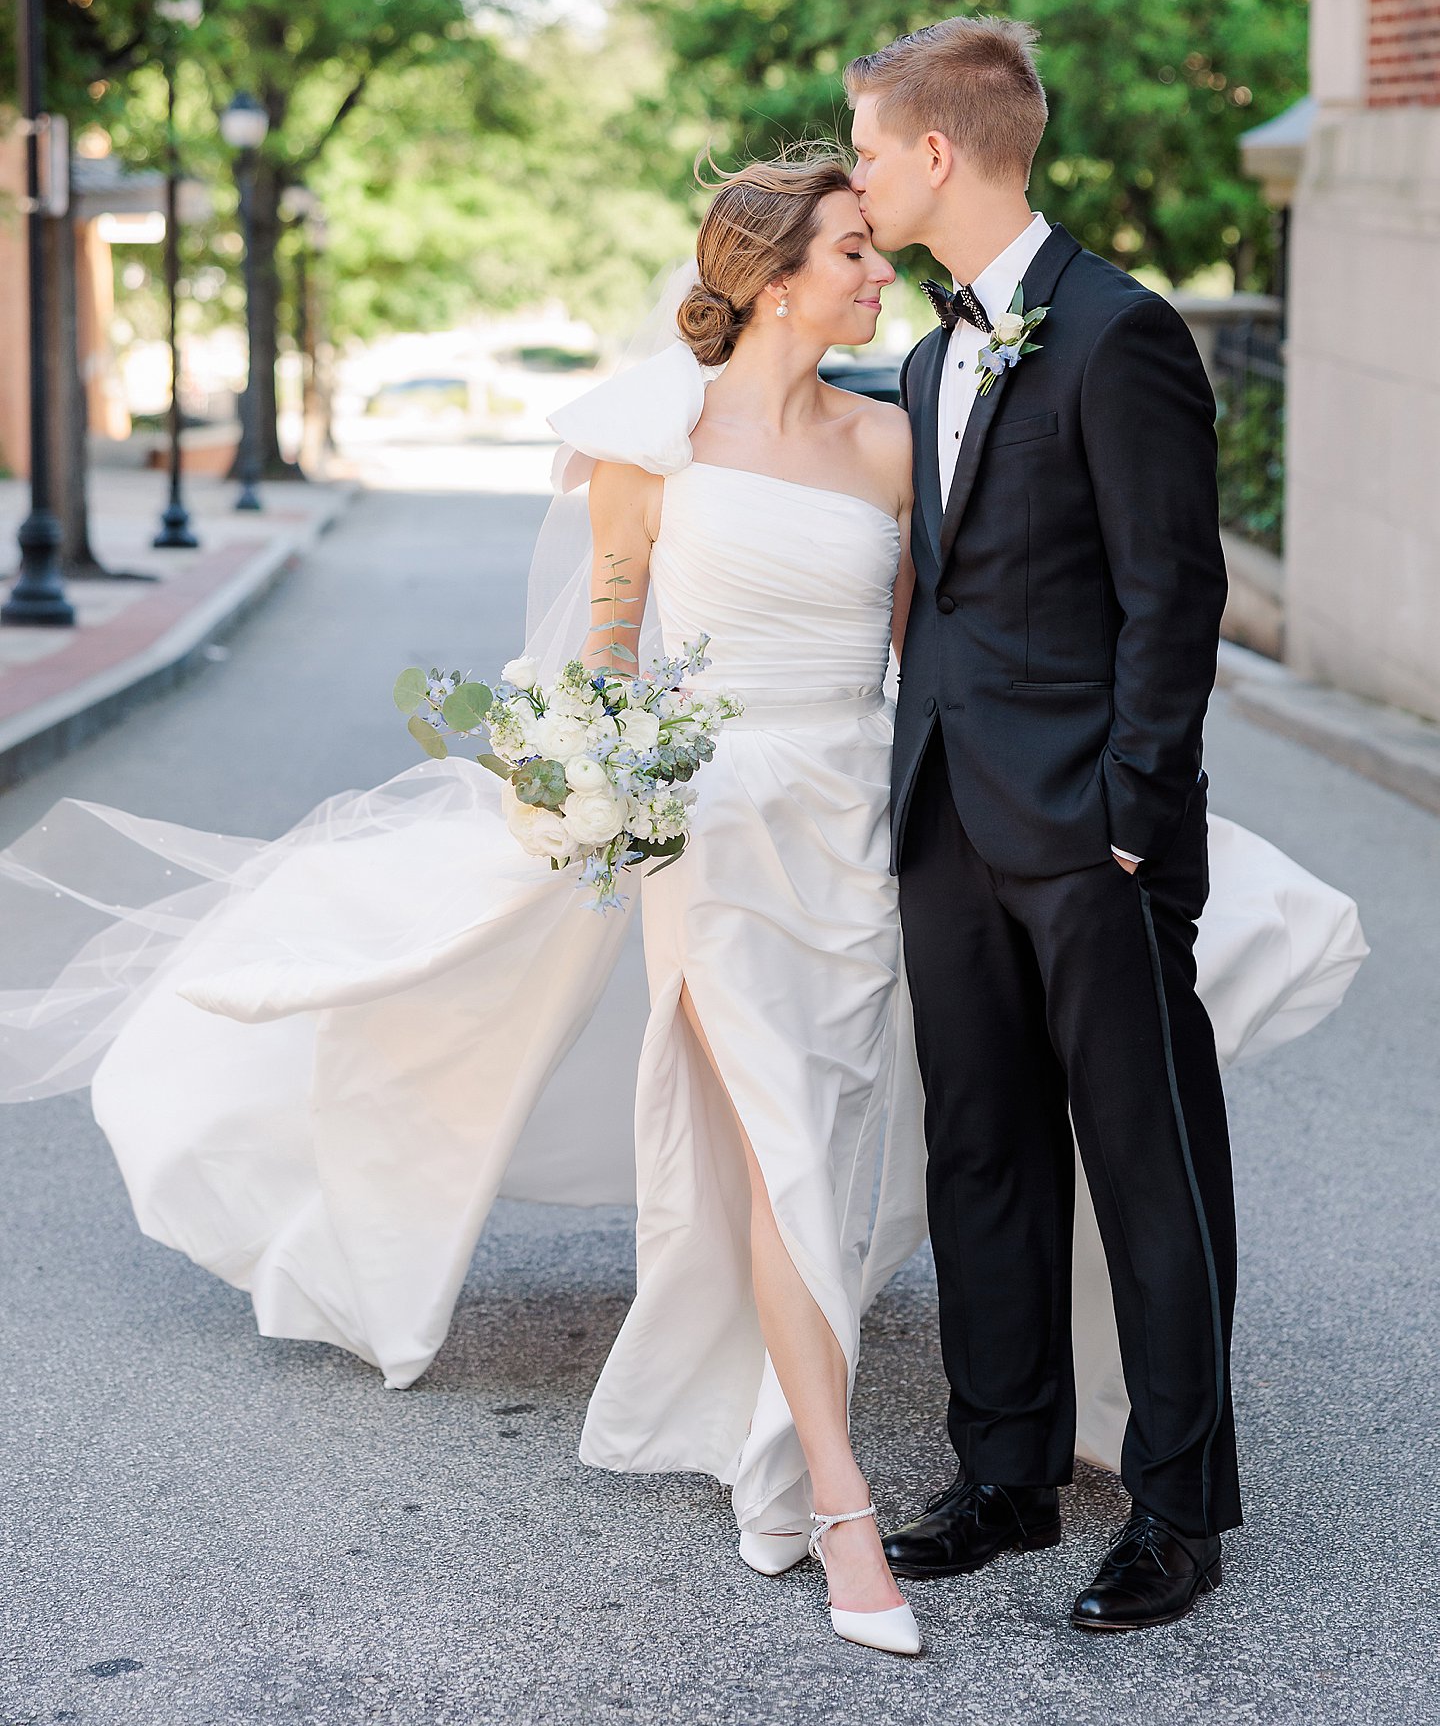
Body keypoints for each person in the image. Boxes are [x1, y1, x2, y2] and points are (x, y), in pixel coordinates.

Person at [0, 142, 1365, 1659]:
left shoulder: (897, 428)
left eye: (873, 240)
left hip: (869, 829)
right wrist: (594, 773)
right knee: (781, 1142)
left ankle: (1012, 1457)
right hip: (713, 837)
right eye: (847, 251)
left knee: (885, 1135)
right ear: (773, 280)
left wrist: (1099, 800)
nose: (876, 270)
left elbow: (953, 645)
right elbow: (603, 643)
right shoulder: (653, 436)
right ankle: (836, 1494)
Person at [848, 14, 1246, 1631]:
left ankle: (1176, 1511)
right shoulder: (939, 353)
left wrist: (1138, 820)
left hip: (1094, 832)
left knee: (1151, 1169)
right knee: (982, 1153)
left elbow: (1175, 596)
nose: (857, 174)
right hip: (946, 817)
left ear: (938, 152)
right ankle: (1005, 1471)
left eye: (867, 148)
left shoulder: (1118, 332)